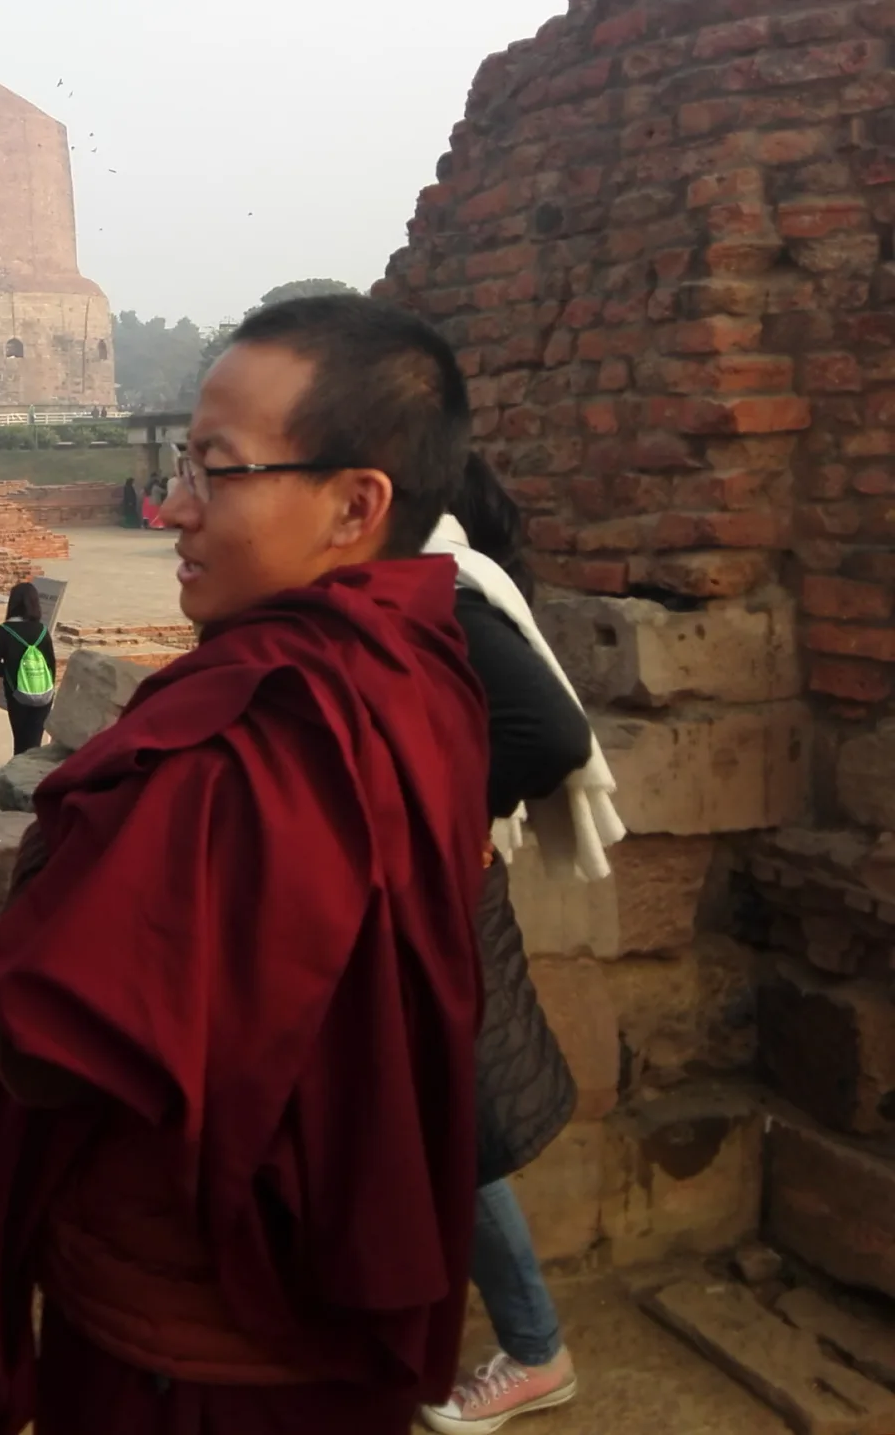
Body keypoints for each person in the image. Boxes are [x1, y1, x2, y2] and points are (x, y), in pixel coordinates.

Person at [0, 294, 491, 1435]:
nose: (169, 506)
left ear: (353, 505)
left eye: (214, 471)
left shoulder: (255, 733)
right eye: (180, 464)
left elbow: (50, 1034)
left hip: (189, 1339)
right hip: (313, 1273)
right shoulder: (419, 667)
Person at [417, 455, 623, 1434]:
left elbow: (548, 732)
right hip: (419, 889)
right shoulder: (422, 576)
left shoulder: (439, 586)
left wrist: (433, 808)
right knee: (428, 1118)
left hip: (438, 888)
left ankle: (534, 1348)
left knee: (453, 1122)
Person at [0, 580, 59, 756]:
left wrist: (11, 670)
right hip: (44, 693)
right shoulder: (42, 630)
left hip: (17, 694)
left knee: (20, 742)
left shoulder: (3, 631)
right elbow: (51, 665)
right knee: (35, 741)